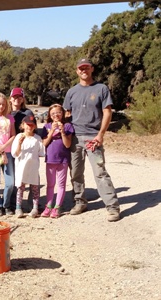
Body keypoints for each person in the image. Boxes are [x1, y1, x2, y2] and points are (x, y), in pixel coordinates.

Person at [63, 58, 121, 222]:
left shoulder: (101, 89)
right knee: (75, 173)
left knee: (100, 173)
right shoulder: (71, 92)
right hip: (75, 139)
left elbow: (107, 112)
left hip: (93, 138)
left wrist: (101, 134)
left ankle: (112, 207)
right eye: (81, 68)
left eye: (86, 68)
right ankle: (80, 202)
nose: (84, 71)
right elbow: (67, 115)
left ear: (91, 69)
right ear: (77, 71)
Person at [40, 104, 74, 218]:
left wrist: (63, 131)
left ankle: (57, 207)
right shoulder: (47, 126)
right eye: (53, 113)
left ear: (62, 113)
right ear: (50, 115)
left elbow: (68, 144)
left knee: (61, 185)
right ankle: (48, 206)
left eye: (58, 112)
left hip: (62, 160)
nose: (56, 115)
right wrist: (52, 131)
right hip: (50, 159)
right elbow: (44, 143)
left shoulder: (68, 126)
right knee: (50, 184)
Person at [11, 115, 45, 218]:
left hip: (33, 166)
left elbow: (42, 152)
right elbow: (15, 153)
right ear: (23, 125)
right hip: (22, 166)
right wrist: (20, 145)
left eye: (32, 125)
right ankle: (18, 207)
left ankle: (35, 208)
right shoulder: (19, 137)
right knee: (20, 188)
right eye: (27, 125)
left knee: (35, 188)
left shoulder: (37, 138)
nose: (29, 127)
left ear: (35, 126)